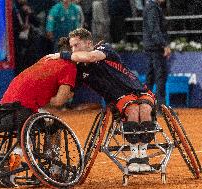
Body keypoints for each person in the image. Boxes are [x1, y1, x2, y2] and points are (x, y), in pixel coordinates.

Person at [46, 28, 156, 173]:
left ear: (88, 43)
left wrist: (61, 55)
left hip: (139, 90)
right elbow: (68, 92)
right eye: (71, 47)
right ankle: (136, 156)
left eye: (76, 45)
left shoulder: (104, 49)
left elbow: (90, 57)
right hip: (120, 98)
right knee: (134, 110)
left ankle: (143, 156)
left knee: (145, 109)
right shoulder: (80, 70)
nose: (73, 49)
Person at [0, 38, 77, 187]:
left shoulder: (45, 59)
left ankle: (10, 167)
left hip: (3, 109)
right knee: (54, 126)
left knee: (30, 130)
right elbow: (58, 102)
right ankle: (53, 168)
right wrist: (66, 95)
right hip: (24, 110)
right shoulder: (69, 67)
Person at [142, 0, 171, 112]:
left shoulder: (151, 6)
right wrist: (164, 45)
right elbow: (154, 29)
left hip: (152, 46)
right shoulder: (153, 8)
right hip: (155, 48)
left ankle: (146, 106)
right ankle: (161, 107)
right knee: (160, 76)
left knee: (150, 78)